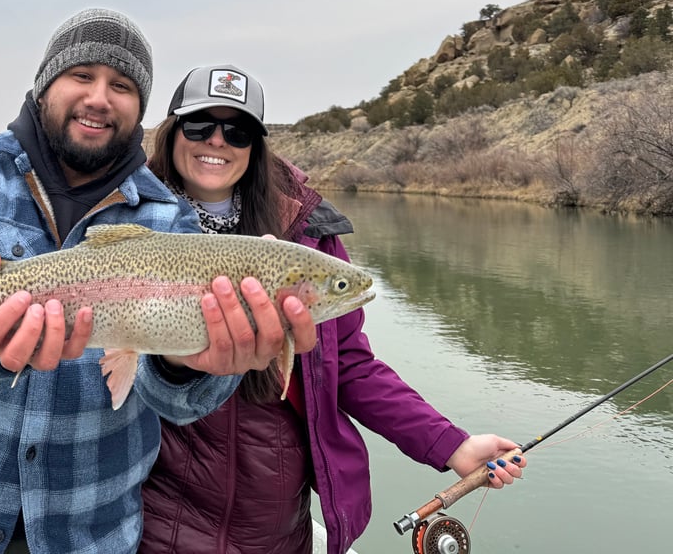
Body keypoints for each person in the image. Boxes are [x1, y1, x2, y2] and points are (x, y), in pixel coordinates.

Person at [0, 12, 317, 554]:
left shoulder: (172, 218)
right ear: (46, 85)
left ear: (140, 108)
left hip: (91, 536)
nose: (100, 97)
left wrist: (185, 365)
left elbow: (176, 406)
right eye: (81, 76)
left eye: (123, 85)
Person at [138, 64, 526, 554]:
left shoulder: (307, 239)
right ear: (172, 132)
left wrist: (451, 444)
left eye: (237, 130)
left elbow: (352, 366)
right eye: (200, 125)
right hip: (158, 512)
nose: (217, 141)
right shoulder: (126, 218)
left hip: (278, 517)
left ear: (256, 145)